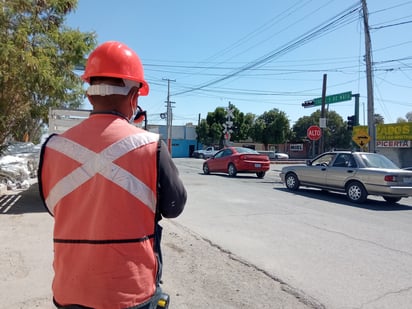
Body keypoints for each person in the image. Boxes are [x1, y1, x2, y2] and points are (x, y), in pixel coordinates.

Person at [38, 41, 187, 309]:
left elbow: (54, 207)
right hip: (131, 292)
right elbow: (174, 206)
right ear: (133, 98)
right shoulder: (152, 146)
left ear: (90, 95)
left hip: (69, 289)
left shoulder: (53, 147)